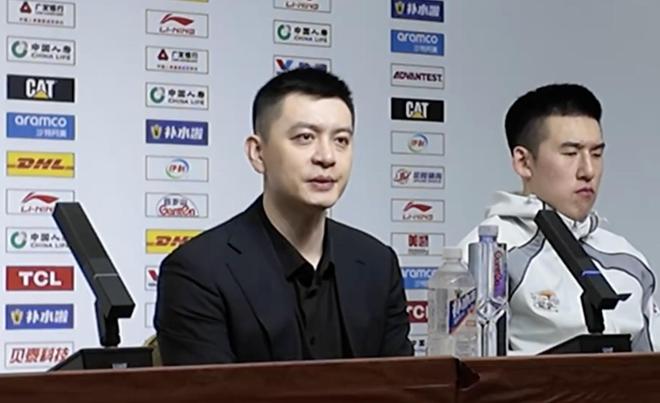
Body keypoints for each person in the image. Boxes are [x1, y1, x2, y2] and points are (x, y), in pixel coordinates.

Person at [154, 68, 413, 365]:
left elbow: (404, 384)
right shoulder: (198, 271)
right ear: (257, 153)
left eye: (341, 140)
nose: (327, 157)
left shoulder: (377, 264)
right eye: (305, 137)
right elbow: (210, 389)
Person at [458, 83, 657, 354]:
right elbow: (473, 370)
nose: (588, 170)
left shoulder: (627, 256)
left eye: (597, 154)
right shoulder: (486, 255)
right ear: (523, 162)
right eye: (571, 153)